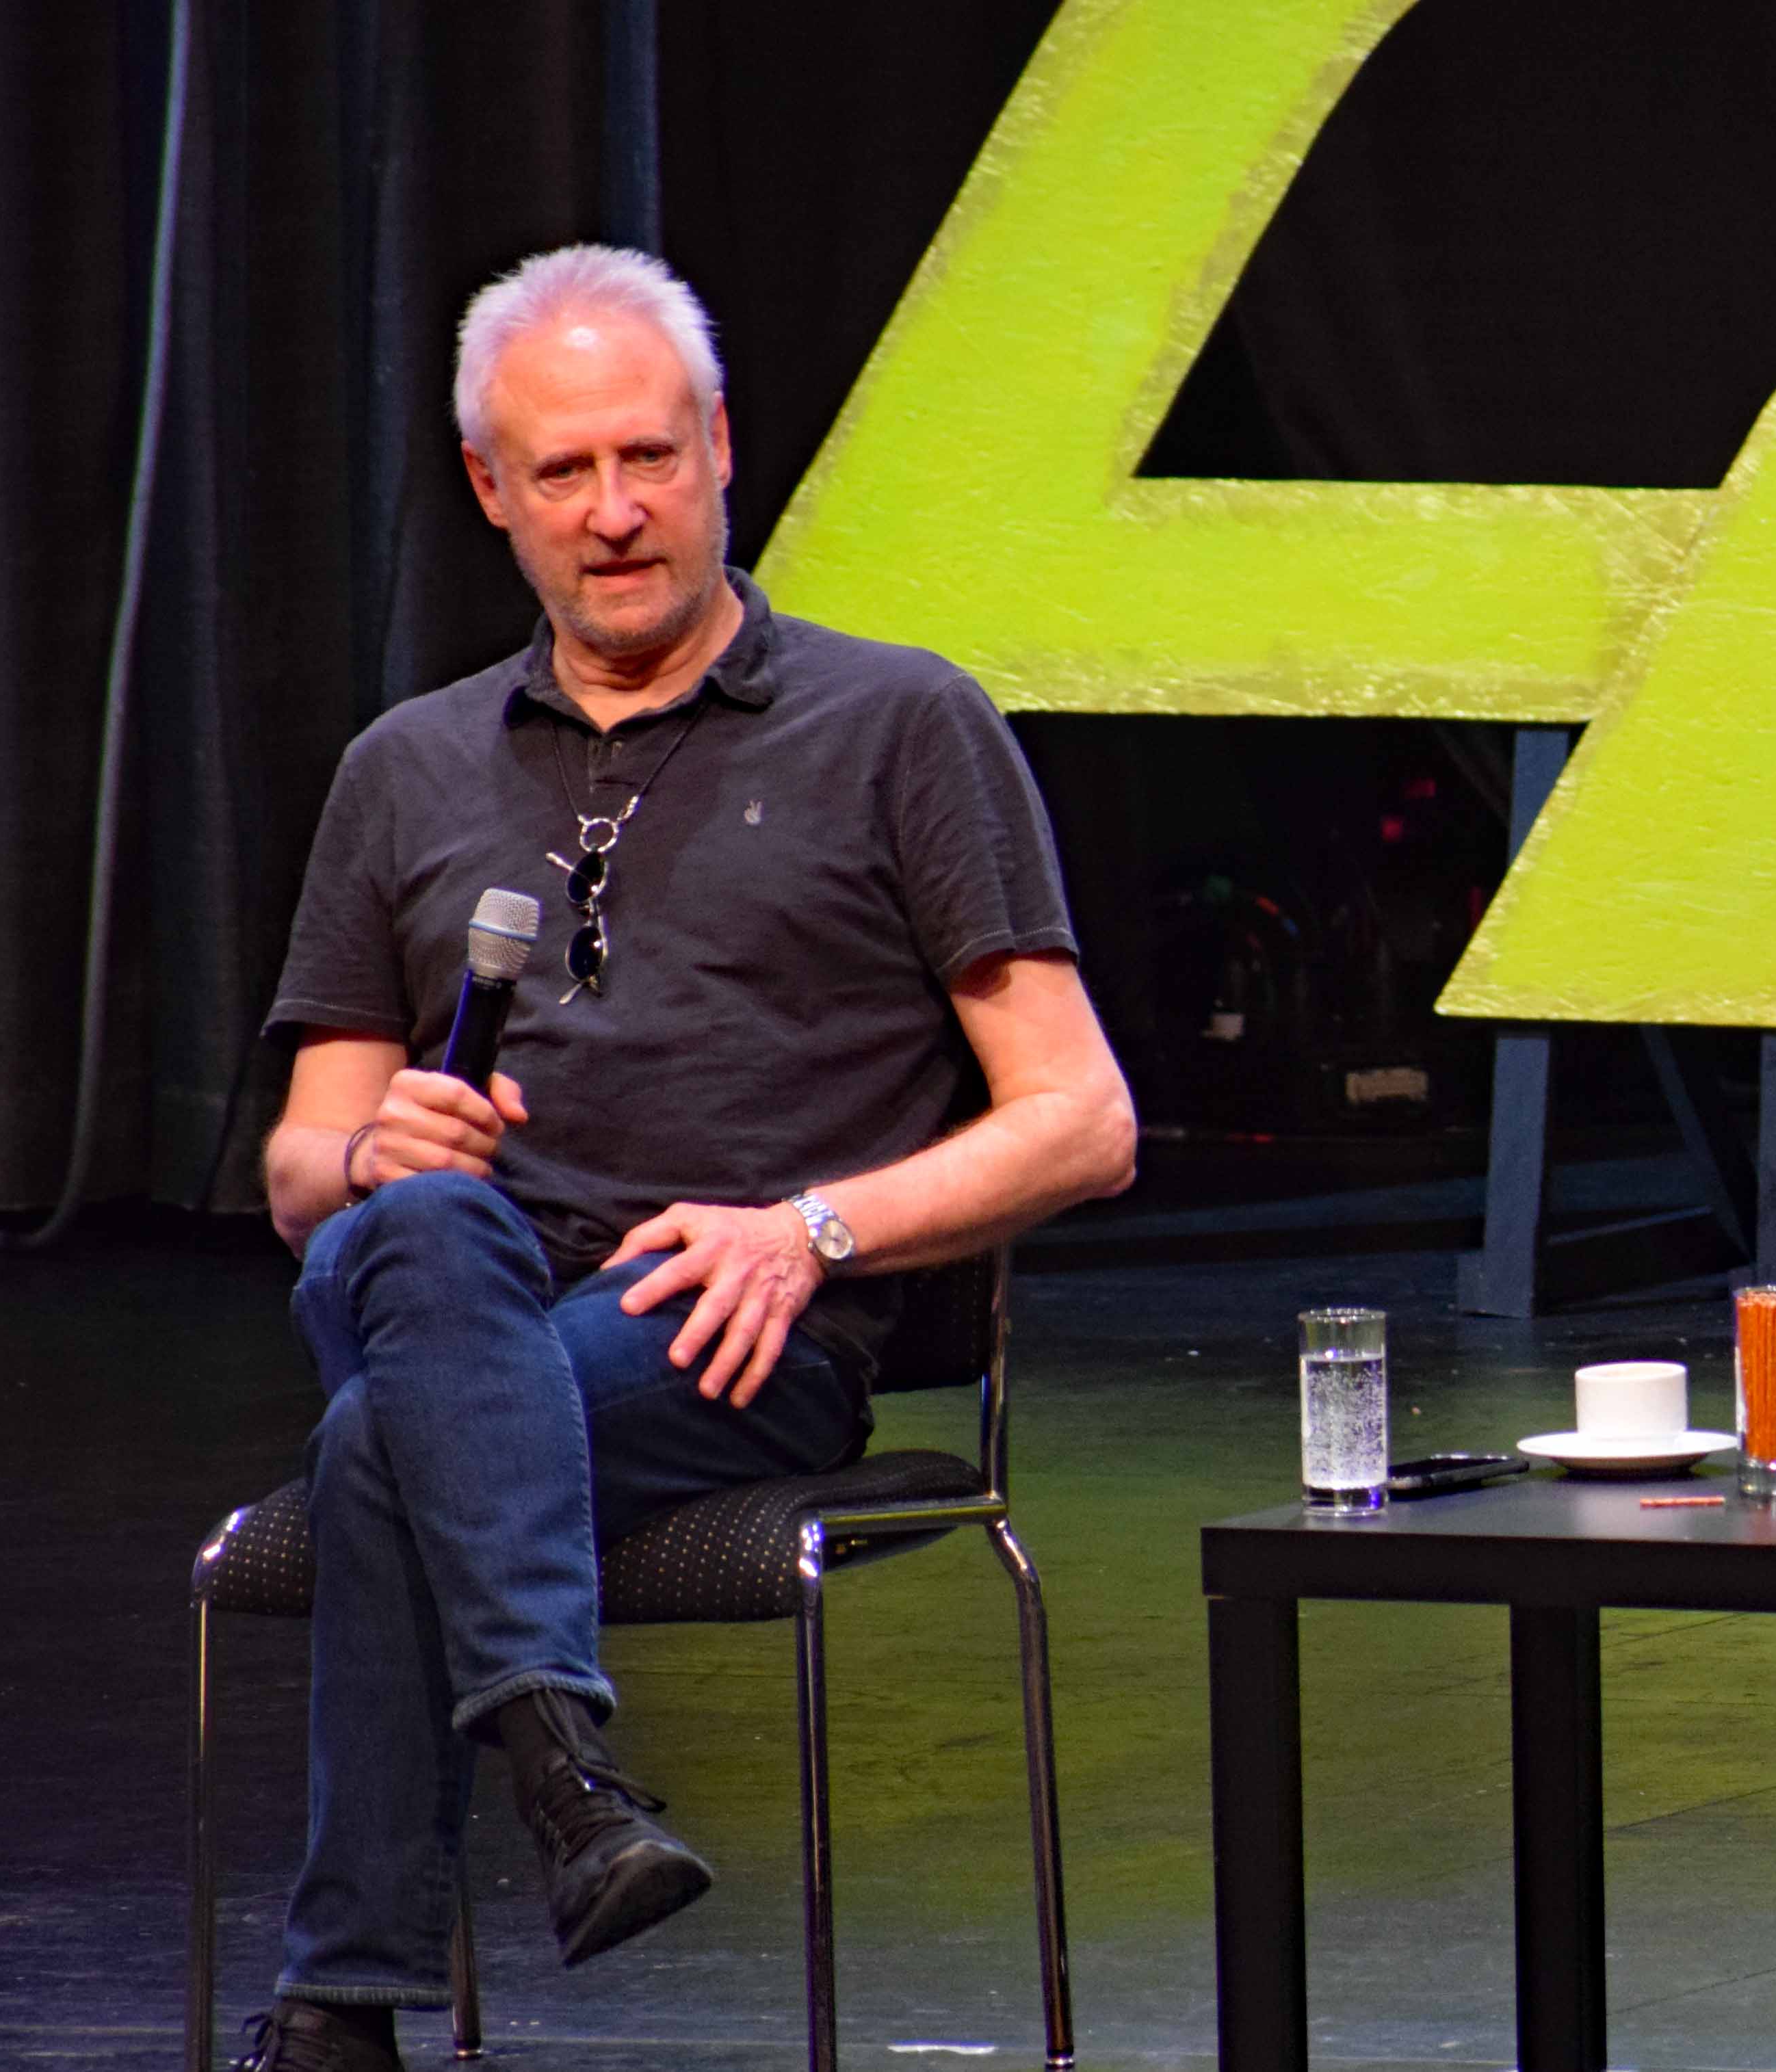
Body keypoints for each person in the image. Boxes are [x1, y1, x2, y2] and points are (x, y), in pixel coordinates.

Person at [231, 246, 1138, 2072]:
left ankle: (354, 1997)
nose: (615, 510)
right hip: (453, 1274)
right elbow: (302, 1167)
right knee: (417, 1241)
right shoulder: (405, 767)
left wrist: (811, 1230)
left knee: (379, 1443)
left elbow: (1082, 1118)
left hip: (718, 1324)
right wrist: (368, 1145)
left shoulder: (900, 725)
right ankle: (567, 1784)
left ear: (722, 445)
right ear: (492, 490)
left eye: (648, 456)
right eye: (562, 471)